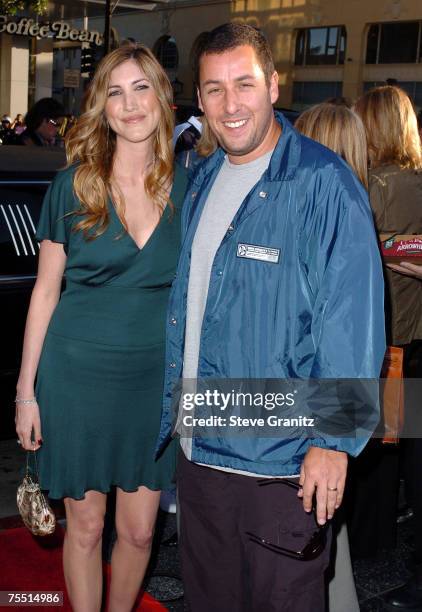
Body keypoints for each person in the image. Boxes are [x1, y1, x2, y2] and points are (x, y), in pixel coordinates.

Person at [156, 23, 385, 611]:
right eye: (213, 89)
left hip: (281, 464)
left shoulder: (324, 185)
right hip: (200, 451)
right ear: (199, 100)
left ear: (274, 85)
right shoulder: (203, 179)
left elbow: (352, 324)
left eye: (244, 83)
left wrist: (334, 442)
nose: (230, 105)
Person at [15, 43, 187, 612]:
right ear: (101, 107)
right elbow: (44, 292)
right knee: (85, 530)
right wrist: (25, 393)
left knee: (139, 533)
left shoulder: (189, 188)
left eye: (141, 88)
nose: (129, 103)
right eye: (115, 91)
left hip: (150, 385)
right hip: (76, 378)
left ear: (162, 99)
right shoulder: (73, 184)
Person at [295, 101, 370, 612]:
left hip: (311, 401)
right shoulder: (359, 201)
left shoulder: (327, 209)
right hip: (330, 404)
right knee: (326, 527)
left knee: (312, 525)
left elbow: (337, 331)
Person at [355, 85, 422, 610]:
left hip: (382, 340)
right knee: (411, 453)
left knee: (373, 444)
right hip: (417, 339)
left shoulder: (369, 186)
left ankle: (367, 544)